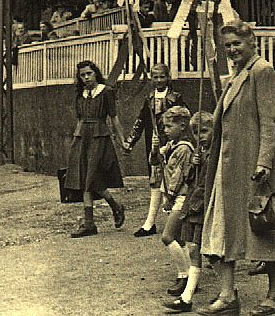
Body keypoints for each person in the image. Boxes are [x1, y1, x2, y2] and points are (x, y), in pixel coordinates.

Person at [199, 19, 275, 316]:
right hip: (228, 165)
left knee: (262, 229)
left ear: (252, 42)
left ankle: (274, 295)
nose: (232, 50)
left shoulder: (261, 71)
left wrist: (264, 163)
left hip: (254, 163)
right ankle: (228, 296)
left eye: (237, 44)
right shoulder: (235, 75)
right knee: (220, 227)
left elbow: (269, 122)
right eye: (227, 46)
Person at [63, 60, 127, 238]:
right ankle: (92, 221)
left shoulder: (106, 92)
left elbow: (113, 118)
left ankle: (111, 208)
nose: (86, 78)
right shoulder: (80, 94)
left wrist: (122, 140)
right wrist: (76, 140)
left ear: (96, 73)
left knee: (91, 178)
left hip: (99, 137)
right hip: (83, 138)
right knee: (85, 179)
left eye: (89, 74)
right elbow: (79, 119)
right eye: (82, 75)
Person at [124, 63, 186, 237]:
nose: (159, 80)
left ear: (168, 77)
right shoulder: (149, 98)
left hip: (172, 145)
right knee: (155, 180)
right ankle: (150, 223)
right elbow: (140, 122)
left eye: (162, 77)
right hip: (154, 144)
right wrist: (130, 141)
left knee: (173, 180)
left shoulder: (176, 98)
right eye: (155, 77)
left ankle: (174, 224)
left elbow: (184, 121)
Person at [163, 111, 214, 314]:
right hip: (194, 205)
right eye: (196, 132)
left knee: (211, 254)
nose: (200, 136)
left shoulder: (213, 154)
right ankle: (186, 297)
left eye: (204, 131)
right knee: (194, 250)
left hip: (203, 205)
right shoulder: (199, 154)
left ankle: (229, 291)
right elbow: (191, 179)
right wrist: (195, 165)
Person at [156, 106, 195, 297]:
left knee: (167, 236)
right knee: (179, 238)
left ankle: (185, 275)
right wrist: (158, 149)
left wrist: (169, 197)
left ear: (182, 126)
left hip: (180, 196)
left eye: (168, 126)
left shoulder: (184, 149)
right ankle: (190, 276)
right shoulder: (172, 146)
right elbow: (154, 163)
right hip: (174, 195)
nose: (165, 130)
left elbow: (178, 176)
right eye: (164, 127)